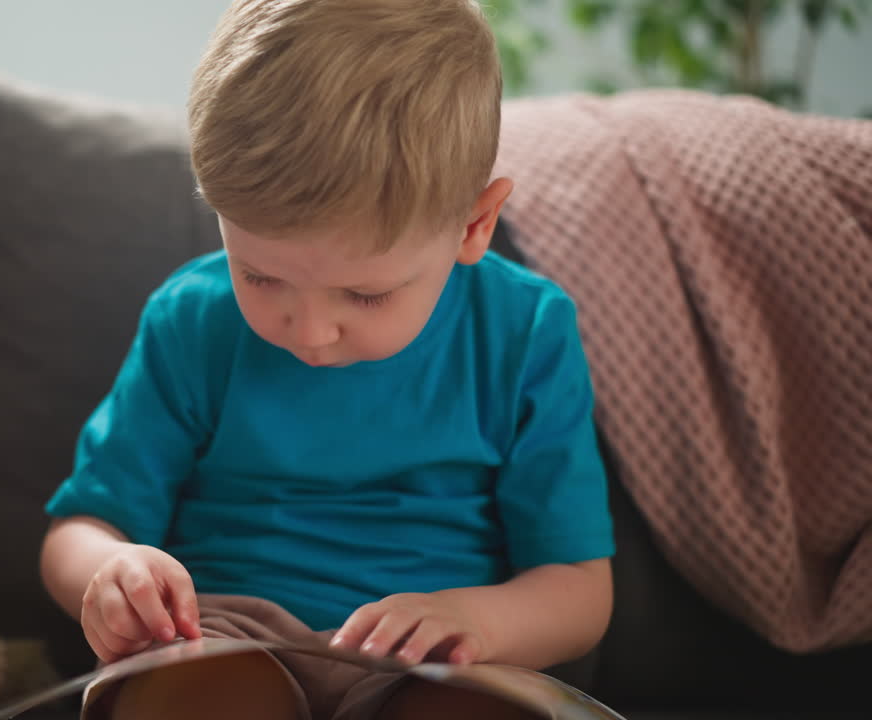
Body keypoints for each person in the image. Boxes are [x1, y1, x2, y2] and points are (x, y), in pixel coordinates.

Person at [39, 1, 614, 717]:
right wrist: (111, 571)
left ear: (474, 224)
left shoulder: (525, 331)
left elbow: (579, 589)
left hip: (435, 658)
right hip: (223, 638)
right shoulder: (191, 319)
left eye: (365, 294)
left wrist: (478, 621)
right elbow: (79, 532)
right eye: (259, 276)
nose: (310, 333)